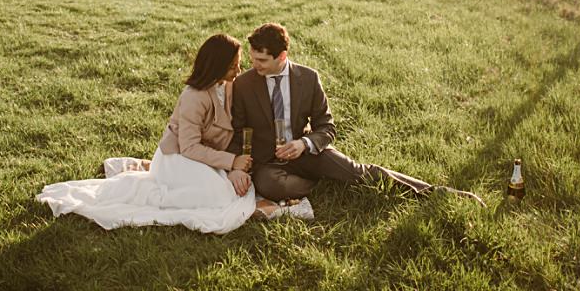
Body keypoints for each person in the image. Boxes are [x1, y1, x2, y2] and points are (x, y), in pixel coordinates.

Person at [228, 23, 485, 207]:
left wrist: (304, 144)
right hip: (268, 163)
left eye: (261, 60)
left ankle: (436, 193)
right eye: (253, 58)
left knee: (358, 171)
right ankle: (326, 183)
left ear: (282, 56)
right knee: (271, 185)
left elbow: (326, 127)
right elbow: (238, 130)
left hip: (306, 152)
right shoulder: (244, 84)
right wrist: (238, 165)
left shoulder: (308, 78)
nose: (254, 65)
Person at [36, 33, 259, 234]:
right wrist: (232, 161)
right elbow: (189, 147)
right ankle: (146, 190)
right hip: (178, 158)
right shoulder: (194, 96)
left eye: (239, 65)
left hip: (204, 156)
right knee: (220, 197)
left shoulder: (228, 85)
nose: (238, 71)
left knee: (227, 193)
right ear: (216, 67)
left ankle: (148, 171)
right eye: (233, 67)